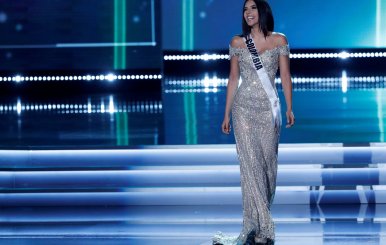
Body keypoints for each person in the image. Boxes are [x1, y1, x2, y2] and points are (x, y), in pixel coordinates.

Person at [214, 0, 295, 244]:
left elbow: (285, 76)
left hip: (269, 111)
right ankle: (260, 227)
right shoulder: (237, 43)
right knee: (250, 168)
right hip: (243, 111)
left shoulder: (279, 40)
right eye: (245, 9)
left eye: (253, 8)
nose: (248, 13)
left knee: (268, 168)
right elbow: (232, 79)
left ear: (263, 11)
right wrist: (226, 113)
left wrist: (290, 107)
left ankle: (258, 226)